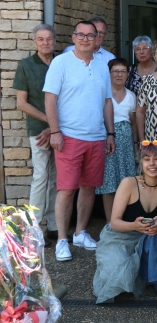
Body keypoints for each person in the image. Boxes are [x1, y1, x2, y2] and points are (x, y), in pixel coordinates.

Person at [44, 20, 116, 262]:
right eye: (81, 35)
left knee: (89, 187)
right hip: (69, 136)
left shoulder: (102, 65)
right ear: (73, 38)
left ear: (97, 39)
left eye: (91, 35)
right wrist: (55, 131)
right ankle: (62, 240)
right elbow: (50, 99)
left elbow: (107, 102)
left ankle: (80, 232)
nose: (86, 39)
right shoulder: (61, 63)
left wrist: (110, 133)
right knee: (66, 189)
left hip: (96, 137)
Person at [93, 142, 157, 304]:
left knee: (149, 274)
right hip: (120, 236)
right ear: (140, 163)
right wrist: (134, 226)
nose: (152, 163)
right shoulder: (129, 183)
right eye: (146, 159)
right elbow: (114, 222)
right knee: (121, 275)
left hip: (152, 238)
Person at [13, 24, 58, 241]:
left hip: (60, 131)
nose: (45, 43)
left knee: (57, 178)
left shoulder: (62, 63)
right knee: (41, 176)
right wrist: (50, 123)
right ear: (35, 42)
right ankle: (34, 228)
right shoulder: (26, 65)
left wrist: (56, 127)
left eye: (49, 39)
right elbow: (22, 103)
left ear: (54, 41)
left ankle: (54, 224)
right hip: (39, 131)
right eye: (41, 39)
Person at [97, 58, 138, 223]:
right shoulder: (102, 95)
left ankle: (125, 220)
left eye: (123, 71)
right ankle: (110, 223)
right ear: (109, 73)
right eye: (115, 71)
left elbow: (134, 123)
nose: (119, 75)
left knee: (126, 181)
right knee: (109, 183)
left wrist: (136, 145)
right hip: (108, 141)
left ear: (128, 74)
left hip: (126, 143)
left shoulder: (131, 96)